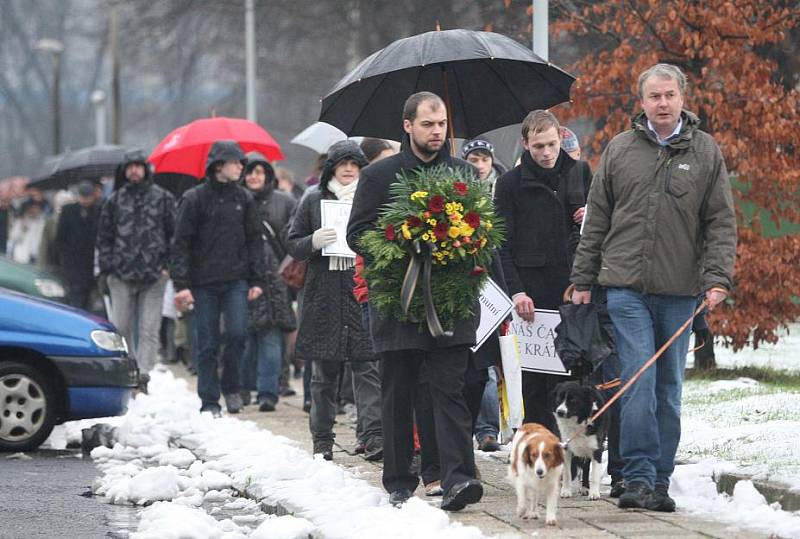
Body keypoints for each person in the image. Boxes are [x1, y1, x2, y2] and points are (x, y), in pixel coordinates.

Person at [571, 63, 736, 511]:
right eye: (653, 97)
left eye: (668, 95)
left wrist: (718, 278)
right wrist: (583, 279)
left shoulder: (705, 152)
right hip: (625, 288)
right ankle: (638, 477)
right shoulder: (620, 149)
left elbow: (720, 221)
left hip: (681, 290)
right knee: (639, 379)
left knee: (668, 389)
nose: (661, 103)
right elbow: (597, 218)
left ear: (683, 97)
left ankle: (660, 480)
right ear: (641, 102)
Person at [347, 91, 483, 511]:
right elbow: (358, 233)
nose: (436, 131)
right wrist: (401, 238)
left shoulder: (464, 172)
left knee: (450, 391)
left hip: (450, 302)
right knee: (399, 392)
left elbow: (484, 231)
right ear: (407, 127)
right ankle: (400, 480)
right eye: (427, 124)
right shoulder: (379, 176)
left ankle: (458, 477)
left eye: (441, 123)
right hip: (399, 301)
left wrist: (459, 240)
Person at [493, 110, 589, 433]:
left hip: (572, 289)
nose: (546, 154)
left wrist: (589, 216)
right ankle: (537, 451)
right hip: (530, 294)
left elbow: (600, 230)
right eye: (538, 147)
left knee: (573, 378)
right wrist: (516, 291)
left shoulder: (580, 172)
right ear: (525, 144)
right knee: (534, 383)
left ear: (560, 138)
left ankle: (573, 464)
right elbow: (501, 244)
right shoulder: (508, 185)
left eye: (551, 145)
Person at [287, 140, 383, 461]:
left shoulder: (371, 198)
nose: (348, 169)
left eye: (354, 164)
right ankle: (323, 440)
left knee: (367, 368)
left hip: (360, 291)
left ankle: (371, 436)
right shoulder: (313, 199)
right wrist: (313, 240)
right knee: (323, 374)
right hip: (323, 295)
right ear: (331, 167)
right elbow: (292, 242)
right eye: (342, 163)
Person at [171, 140, 266, 416]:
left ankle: (232, 388)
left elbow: (254, 241)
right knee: (207, 342)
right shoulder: (194, 198)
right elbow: (181, 243)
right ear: (218, 165)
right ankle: (209, 399)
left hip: (236, 279)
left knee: (238, 335)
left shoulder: (244, 198)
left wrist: (257, 280)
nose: (241, 168)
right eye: (236, 162)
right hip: (203, 282)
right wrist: (181, 285)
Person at [97, 150, 176, 386]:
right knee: (121, 327)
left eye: (138, 166)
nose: (134, 170)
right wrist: (108, 267)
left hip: (154, 275)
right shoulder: (115, 200)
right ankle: (128, 369)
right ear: (124, 170)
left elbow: (175, 234)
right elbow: (104, 237)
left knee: (150, 328)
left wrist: (167, 266)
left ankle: (144, 373)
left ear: (146, 169)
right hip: (121, 274)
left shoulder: (162, 198)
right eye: (130, 166)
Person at [240, 152, 298, 411]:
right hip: (241, 276)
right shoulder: (235, 201)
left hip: (276, 280)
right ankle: (241, 387)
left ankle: (267, 392)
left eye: (259, 172)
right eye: (249, 172)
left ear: (268, 175)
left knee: (271, 337)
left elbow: (294, 237)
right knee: (241, 337)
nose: (254, 177)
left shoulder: (284, 202)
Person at [55, 182, 100, 310]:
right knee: (75, 294)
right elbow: (60, 237)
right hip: (72, 261)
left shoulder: (98, 211)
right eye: (83, 197)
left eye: (88, 197)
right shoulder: (68, 210)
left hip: (90, 261)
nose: (85, 200)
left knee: (87, 295)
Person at [8, 198, 46, 265]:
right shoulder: (20, 221)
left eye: (37, 208)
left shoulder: (43, 224)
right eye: (33, 208)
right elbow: (13, 238)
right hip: (20, 257)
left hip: (35, 257)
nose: (35, 210)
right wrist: (22, 229)